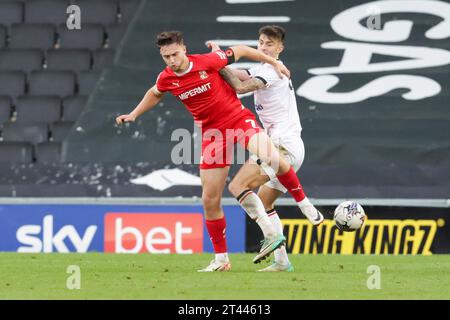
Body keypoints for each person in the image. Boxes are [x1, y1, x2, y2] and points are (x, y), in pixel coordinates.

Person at [116, 30, 317, 272]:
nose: (171, 60)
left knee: (271, 158)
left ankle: (303, 206)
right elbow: (155, 93)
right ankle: (221, 260)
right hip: (212, 136)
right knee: (210, 199)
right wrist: (134, 114)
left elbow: (241, 49)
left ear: (184, 49)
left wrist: (273, 62)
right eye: (166, 56)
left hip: (237, 119)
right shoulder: (167, 77)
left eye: (175, 54)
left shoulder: (207, 61)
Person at [210, 25, 324, 272]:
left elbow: (241, 87)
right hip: (290, 146)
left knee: (237, 186)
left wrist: (217, 66)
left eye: (269, 44)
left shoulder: (273, 71)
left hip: (283, 146)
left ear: (280, 48)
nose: (263, 47)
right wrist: (219, 61)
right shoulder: (263, 67)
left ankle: (281, 226)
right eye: (260, 42)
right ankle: (282, 262)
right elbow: (238, 74)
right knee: (265, 202)